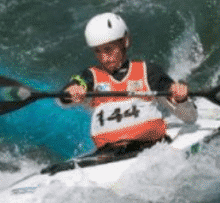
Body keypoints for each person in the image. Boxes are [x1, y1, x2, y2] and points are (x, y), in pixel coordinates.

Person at [61, 12, 198, 150]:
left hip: (152, 148)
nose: (104, 58)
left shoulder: (148, 72)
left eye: (109, 50)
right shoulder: (92, 76)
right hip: (109, 152)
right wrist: (72, 92)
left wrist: (181, 98)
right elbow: (74, 88)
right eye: (98, 51)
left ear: (124, 42)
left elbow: (190, 118)